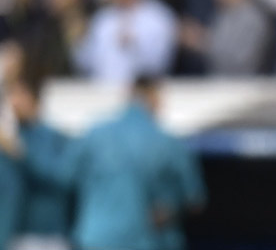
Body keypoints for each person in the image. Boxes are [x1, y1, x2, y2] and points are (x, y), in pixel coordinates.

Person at [5, 77, 206, 250]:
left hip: (96, 239)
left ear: (128, 94)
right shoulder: (168, 142)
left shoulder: (95, 132)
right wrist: (170, 207)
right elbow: (194, 200)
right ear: (156, 98)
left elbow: (62, 175)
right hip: (145, 240)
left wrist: (21, 149)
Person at [73, 0, 179, 82]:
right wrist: (79, 41)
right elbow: (88, 64)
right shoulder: (102, 19)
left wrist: (134, 46)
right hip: (103, 93)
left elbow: (161, 64)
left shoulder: (159, 17)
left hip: (142, 94)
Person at [2, 74, 71, 250]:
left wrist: (20, 152)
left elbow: (58, 176)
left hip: (49, 235)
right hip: (15, 235)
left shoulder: (55, 137)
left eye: (19, 95)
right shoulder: (11, 138)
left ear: (34, 98)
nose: (14, 102)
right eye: (11, 96)